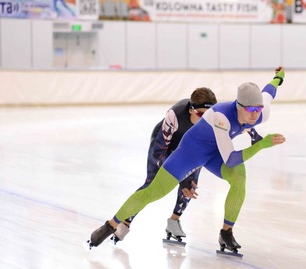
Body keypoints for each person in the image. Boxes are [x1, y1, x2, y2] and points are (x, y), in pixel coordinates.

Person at [89, 66, 286, 252]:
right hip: (191, 152)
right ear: (238, 106)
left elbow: (269, 92)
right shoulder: (222, 116)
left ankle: (226, 233)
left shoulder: (262, 112)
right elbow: (232, 159)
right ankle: (110, 225)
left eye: (258, 109)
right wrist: (261, 144)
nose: (255, 115)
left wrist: (278, 77)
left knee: (239, 177)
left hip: (215, 153)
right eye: (251, 110)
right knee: (153, 192)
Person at [112, 87, 263, 244]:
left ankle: (174, 221)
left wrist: (255, 135)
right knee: (152, 184)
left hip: (194, 147)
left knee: (190, 186)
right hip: (167, 144)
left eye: (208, 115)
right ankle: (125, 222)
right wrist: (180, 178)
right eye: (200, 114)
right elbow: (160, 152)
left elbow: (241, 122)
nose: (205, 119)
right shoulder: (174, 116)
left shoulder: (217, 119)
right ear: (191, 110)